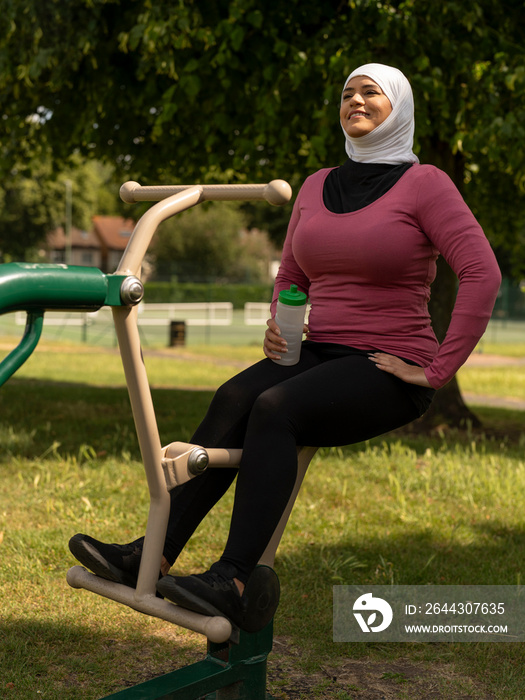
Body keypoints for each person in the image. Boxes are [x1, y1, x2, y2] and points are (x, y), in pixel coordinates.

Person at [69, 62, 501, 631]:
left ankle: (236, 578)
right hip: (316, 349)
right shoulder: (319, 184)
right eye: (347, 93)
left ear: (400, 106)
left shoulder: (427, 185)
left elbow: (482, 272)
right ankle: (149, 553)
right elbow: (292, 273)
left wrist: (437, 369)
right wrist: (281, 321)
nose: (356, 100)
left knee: (277, 410)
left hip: (387, 366)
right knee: (233, 398)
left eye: (372, 92)